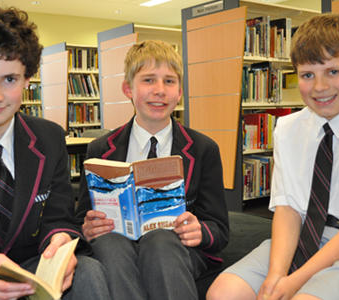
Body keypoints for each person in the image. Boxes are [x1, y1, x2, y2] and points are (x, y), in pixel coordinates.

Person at [207, 13, 339, 300]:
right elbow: (288, 210)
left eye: (333, 72)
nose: (319, 87)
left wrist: (294, 282)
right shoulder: (288, 128)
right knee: (223, 293)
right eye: (307, 75)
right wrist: (277, 275)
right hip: (303, 235)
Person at [0, 4, 111, 300]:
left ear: (28, 79)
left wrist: (61, 243)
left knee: (88, 272)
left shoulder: (49, 137)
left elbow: (59, 218)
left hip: (34, 264)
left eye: (9, 79)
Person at [75, 40, 229, 300]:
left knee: (159, 241)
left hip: (174, 249)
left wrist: (200, 230)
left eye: (169, 81)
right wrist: (87, 228)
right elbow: (81, 218)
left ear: (180, 91)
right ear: (128, 88)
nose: (160, 91)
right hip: (118, 243)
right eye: (148, 80)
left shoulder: (203, 149)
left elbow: (219, 228)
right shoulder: (100, 149)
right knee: (109, 244)